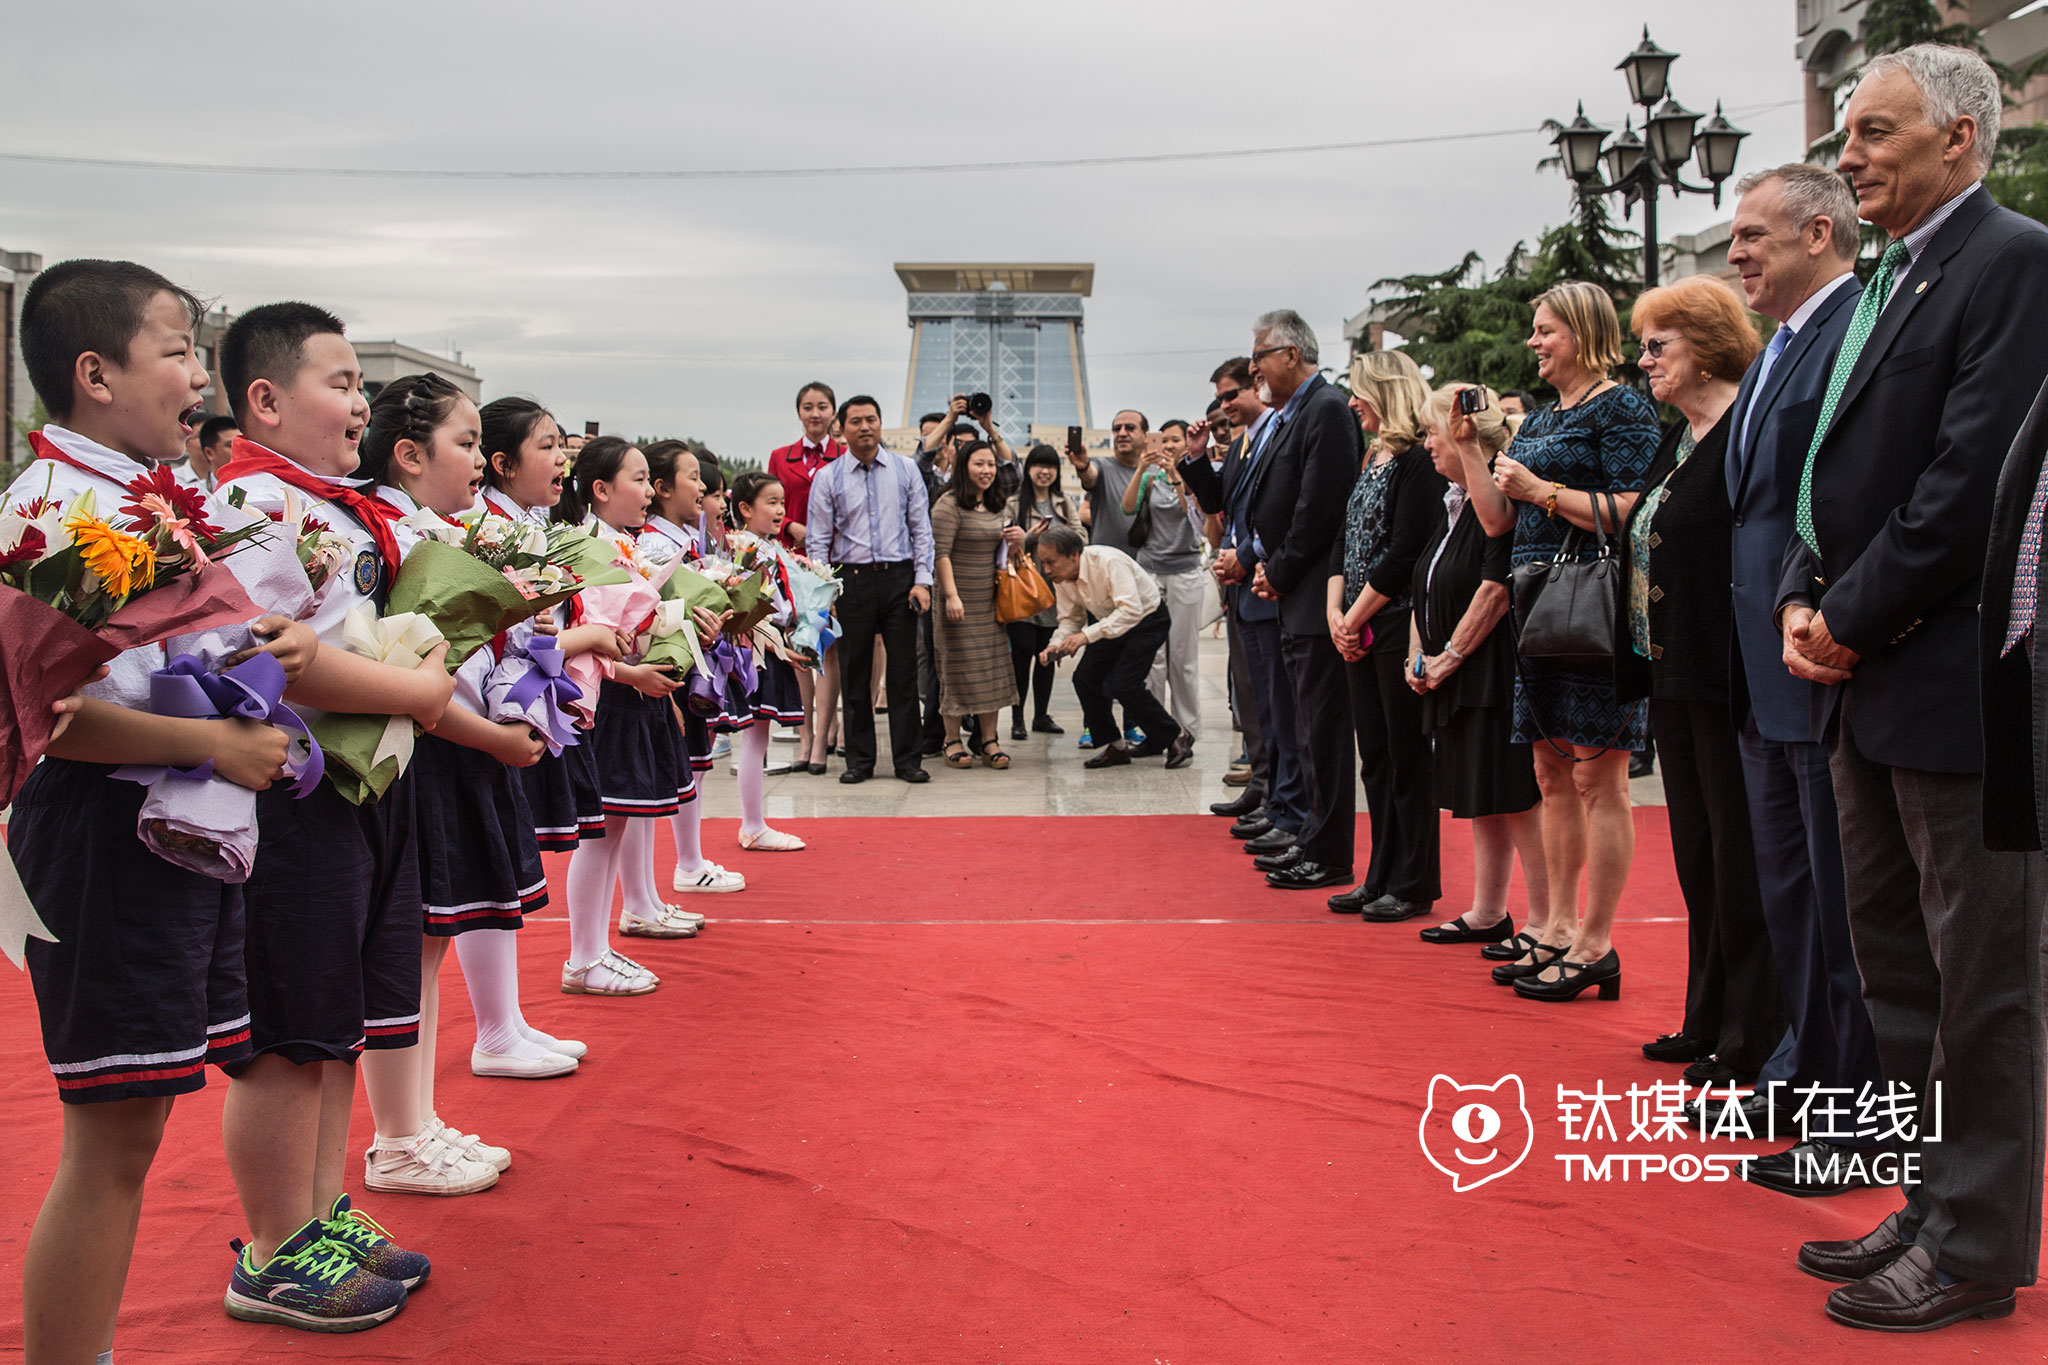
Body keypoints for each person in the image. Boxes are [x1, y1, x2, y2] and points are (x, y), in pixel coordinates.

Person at [1779, 44, 2048, 1331]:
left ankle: (1974, 1246)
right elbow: (1825, 466)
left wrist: (1838, 613)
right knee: (1894, 967)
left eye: (1875, 130)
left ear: (1958, 137)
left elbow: (1966, 484)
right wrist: (1796, 589)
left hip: (1953, 683)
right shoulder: (1887, 275)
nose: (1848, 155)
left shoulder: (2011, 262)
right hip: (1860, 678)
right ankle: (1927, 1199)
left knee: (1978, 976)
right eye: (1844, 132)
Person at [7, 260, 317, 1359]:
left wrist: (255, 653)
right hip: (103, 835)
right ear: (94, 373)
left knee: (133, 1130)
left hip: (167, 830)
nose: (198, 373)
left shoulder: (143, 496)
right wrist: (214, 741)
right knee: (112, 1138)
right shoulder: (54, 509)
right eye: (178, 347)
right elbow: (60, 714)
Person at [215, 301, 458, 1329]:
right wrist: (414, 687)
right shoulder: (248, 506)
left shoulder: (328, 502)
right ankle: (271, 1249)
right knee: (284, 1032)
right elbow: (267, 660)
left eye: (361, 383)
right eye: (341, 383)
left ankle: (318, 1217)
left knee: (332, 1025)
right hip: (292, 793)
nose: (359, 403)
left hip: (357, 786)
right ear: (265, 400)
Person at [1716, 162, 1883, 1194]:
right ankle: (1798, 1071)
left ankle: (1853, 1115)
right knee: (1788, 895)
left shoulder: (1851, 329)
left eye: (1752, 237)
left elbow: (1844, 495)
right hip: (1757, 672)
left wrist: (1814, 613)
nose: (1736, 253)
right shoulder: (1778, 344)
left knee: (1844, 909)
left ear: (1817, 234)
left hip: (1814, 658)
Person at [357, 376, 561, 1211]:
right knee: (409, 945)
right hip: (424, 752)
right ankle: (397, 1135)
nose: (480, 460)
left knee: (428, 944)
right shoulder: (384, 530)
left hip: (452, 744)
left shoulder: (430, 530)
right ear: (409, 453)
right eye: (468, 442)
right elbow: (411, 674)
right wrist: (493, 734)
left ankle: (414, 1119)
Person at [1466, 281, 1658, 998]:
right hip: (1538, 609)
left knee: (1597, 777)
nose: (1534, 342)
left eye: (1545, 330)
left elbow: (1635, 507)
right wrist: (1479, 453)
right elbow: (1497, 520)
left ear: (1582, 331)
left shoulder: (1623, 407)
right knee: (1550, 776)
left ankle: (1596, 941)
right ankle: (1555, 927)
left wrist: (1542, 490)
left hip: (1596, 612)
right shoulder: (1544, 417)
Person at [1613, 280, 1782, 1069]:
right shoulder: (1675, 436)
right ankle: (1707, 1015)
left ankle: (1751, 1034)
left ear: (1708, 344)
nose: (1643, 359)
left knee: (1738, 858)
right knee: (1696, 854)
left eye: (1658, 345)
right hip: (1671, 668)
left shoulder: (1749, 423)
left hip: (1727, 672)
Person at [475, 397, 612, 1048]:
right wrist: (584, 635)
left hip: (516, 711)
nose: (563, 459)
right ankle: (495, 1030)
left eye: (563, 445)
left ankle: (508, 1023)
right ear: (500, 462)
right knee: (481, 877)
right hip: (484, 717)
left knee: (500, 870)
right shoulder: (484, 532)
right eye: (548, 445)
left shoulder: (530, 528)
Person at [552, 438, 700, 994]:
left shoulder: (624, 545)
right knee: (602, 829)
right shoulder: (585, 548)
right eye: (638, 480)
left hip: (630, 693)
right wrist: (631, 671)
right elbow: (585, 638)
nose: (648, 491)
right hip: (607, 701)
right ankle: (584, 955)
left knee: (616, 828)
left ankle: (601, 944)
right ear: (600, 489)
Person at [1410, 386, 1548, 954]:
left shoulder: (1492, 496)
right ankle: (1489, 910)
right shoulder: (1453, 500)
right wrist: (1418, 654)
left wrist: (1451, 654)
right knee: (1481, 793)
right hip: (1457, 670)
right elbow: (1427, 581)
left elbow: (1495, 590)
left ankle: (1543, 919)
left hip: (1491, 669)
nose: (1426, 445)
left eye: (1431, 433)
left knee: (1515, 796)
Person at [1244, 309, 1361, 891]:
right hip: (1295, 591)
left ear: (1292, 354)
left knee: (1324, 732)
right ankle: (1313, 836)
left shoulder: (1327, 409)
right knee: (1307, 729)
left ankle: (1329, 848)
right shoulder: (1297, 412)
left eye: (1261, 354)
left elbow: (1320, 508)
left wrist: (1280, 569)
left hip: (1318, 594)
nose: (1254, 367)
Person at [1328, 351, 1447, 921]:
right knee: (1373, 755)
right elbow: (1343, 541)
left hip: (1396, 622)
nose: (1352, 404)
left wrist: (1355, 616)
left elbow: (1405, 551)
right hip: (1357, 623)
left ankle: (1414, 879)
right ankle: (1379, 874)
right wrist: (1337, 613)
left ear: (1387, 390)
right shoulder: (1371, 455)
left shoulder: (1416, 459)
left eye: (1359, 392)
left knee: (1406, 756)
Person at [1182, 360, 1289, 839]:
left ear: (1257, 387)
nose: (1225, 407)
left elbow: (1278, 512)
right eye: (1221, 400)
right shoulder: (1245, 441)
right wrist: (1197, 456)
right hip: (1240, 585)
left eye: (1232, 396)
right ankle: (1262, 785)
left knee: (1272, 698)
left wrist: (1246, 555)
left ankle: (1278, 795)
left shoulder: (1273, 434)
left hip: (1267, 579)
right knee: (1250, 697)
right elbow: (1218, 503)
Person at [806, 394, 935, 784]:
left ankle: (908, 760)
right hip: (852, 581)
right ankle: (859, 761)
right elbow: (817, 543)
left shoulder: (905, 469)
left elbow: (921, 530)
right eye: (856, 421)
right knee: (855, 671)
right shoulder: (828, 478)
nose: (865, 427)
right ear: (841, 430)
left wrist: (922, 581)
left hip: (899, 579)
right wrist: (823, 596)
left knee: (903, 674)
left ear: (881, 424)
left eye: (872, 419)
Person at [1035, 524, 1191, 769]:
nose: (1046, 569)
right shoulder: (1062, 577)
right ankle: (1116, 747)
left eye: (1050, 562)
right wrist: (1055, 645)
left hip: (1146, 620)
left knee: (1124, 684)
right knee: (1085, 678)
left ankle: (1176, 736)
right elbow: (1071, 619)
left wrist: (1086, 636)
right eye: (1043, 562)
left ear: (1074, 555)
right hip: (1109, 620)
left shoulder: (1107, 562)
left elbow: (1131, 611)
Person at [726, 471, 811, 845]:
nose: (780, 511)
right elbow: (755, 605)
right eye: (771, 503)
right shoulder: (745, 548)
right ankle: (752, 824)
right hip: (757, 648)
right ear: (745, 508)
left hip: (770, 644)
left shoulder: (767, 546)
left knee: (758, 738)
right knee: (754, 738)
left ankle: (754, 822)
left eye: (782, 503)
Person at [931, 441, 1024, 768]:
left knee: (992, 667)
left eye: (990, 465)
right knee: (955, 668)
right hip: (957, 598)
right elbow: (940, 553)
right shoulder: (949, 504)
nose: (986, 471)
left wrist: (1019, 540)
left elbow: (1004, 555)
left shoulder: (1000, 505)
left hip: (990, 599)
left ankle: (989, 740)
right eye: (978, 464)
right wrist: (952, 596)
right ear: (963, 468)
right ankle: (952, 739)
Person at [768, 382, 844, 781]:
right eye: (808, 407)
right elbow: (768, 506)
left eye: (823, 406)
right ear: (799, 412)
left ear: (834, 411)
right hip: (793, 561)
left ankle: (827, 734)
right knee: (800, 645)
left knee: (829, 647)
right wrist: (791, 526)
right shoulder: (781, 457)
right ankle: (805, 732)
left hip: (834, 562)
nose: (815, 414)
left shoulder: (846, 456)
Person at [1132, 419, 1206, 745]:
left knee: (1183, 658)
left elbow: (1192, 513)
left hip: (1186, 572)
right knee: (1152, 658)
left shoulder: (1194, 478)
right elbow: (1126, 507)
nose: (1170, 446)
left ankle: (1186, 731)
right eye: (1166, 440)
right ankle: (1156, 730)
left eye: (1177, 440)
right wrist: (1141, 470)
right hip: (1149, 571)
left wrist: (1177, 475)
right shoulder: (1150, 479)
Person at [1005, 443, 1085, 739]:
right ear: (1028, 469)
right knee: (1021, 655)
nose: (1045, 471)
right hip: (1024, 590)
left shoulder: (1063, 502)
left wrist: (1055, 540)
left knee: (1047, 654)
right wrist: (1029, 538)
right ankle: (1017, 719)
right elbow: (1003, 544)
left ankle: (1041, 715)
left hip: (1056, 592)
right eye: (1039, 465)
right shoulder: (1015, 502)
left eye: (1050, 466)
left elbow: (1081, 537)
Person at [187, 413, 239, 489]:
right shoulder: (194, 493)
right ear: (209, 453)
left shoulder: (257, 487)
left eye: (241, 445)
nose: (239, 450)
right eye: (230, 445)